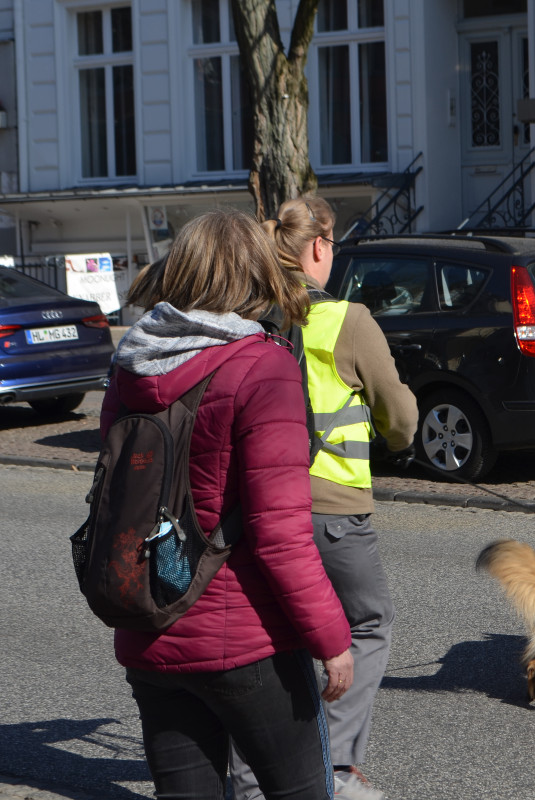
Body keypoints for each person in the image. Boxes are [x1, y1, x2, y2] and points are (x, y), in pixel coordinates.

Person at [106, 208, 354, 800]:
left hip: (150, 627)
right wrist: (333, 639)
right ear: (257, 273)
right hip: (245, 641)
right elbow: (279, 533)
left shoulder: (131, 366)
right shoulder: (261, 366)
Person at [229, 196, 418, 800]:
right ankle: (332, 767)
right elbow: (401, 417)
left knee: (269, 634)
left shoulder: (246, 313)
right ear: (319, 247)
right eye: (332, 246)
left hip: (257, 503)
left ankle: (247, 774)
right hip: (331, 509)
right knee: (368, 622)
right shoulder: (348, 320)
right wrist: (392, 436)